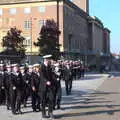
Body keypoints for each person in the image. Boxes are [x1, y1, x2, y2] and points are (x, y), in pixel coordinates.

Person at [39, 55, 54, 119]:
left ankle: (50, 113)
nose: (49, 61)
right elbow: (42, 76)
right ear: (45, 60)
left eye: (49, 60)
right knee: (43, 101)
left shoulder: (49, 67)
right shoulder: (41, 67)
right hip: (43, 87)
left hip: (50, 86)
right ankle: (43, 113)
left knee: (51, 99)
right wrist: (46, 81)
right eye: (48, 60)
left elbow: (51, 76)